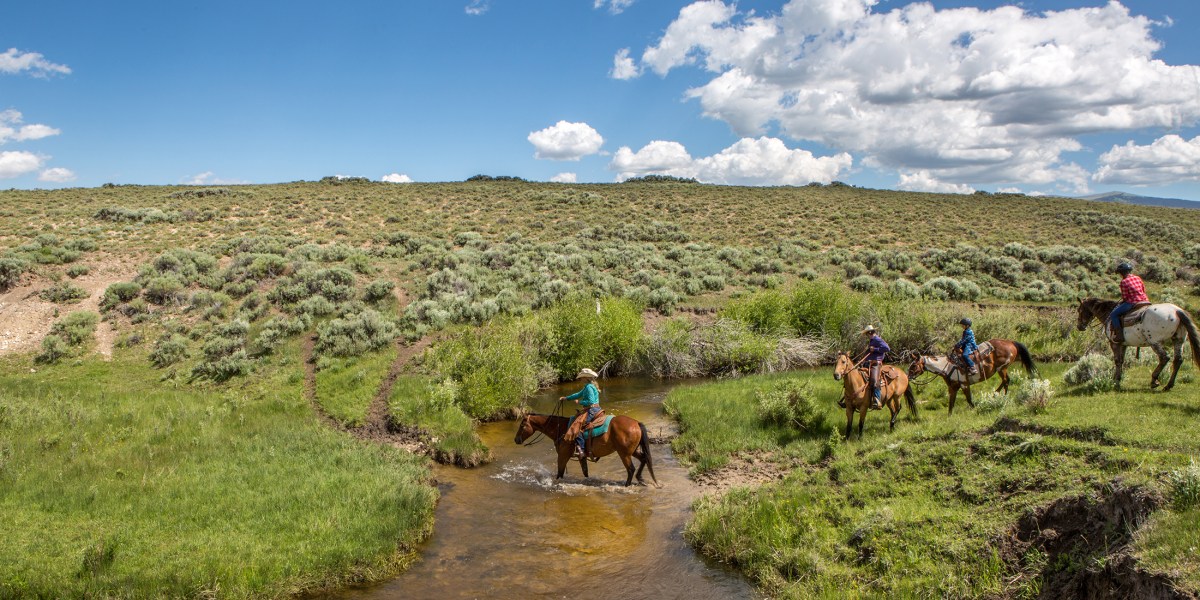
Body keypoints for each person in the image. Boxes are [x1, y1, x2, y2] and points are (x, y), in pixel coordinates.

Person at [560, 368, 602, 458]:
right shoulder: (589, 386)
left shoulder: (589, 387)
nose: (580, 379)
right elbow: (578, 394)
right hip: (596, 409)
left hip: (591, 410)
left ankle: (581, 450)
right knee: (574, 419)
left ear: (586, 378)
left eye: (581, 377)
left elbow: (590, 402)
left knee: (576, 425)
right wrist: (566, 398)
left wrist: (579, 402)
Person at [1109, 262, 1148, 344]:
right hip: (1145, 300)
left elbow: (1125, 297)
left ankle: (1119, 334)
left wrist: (1122, 302)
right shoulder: (1138, 278)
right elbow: (1143, 290)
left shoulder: (1124, 281)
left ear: (1122, 273)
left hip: (1133, 302)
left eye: (1120, 273)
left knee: (1113, 314)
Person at [860, 325, 890, 410]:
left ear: (870, 333)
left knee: (874, 380)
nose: (866, 335)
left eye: (867, 334)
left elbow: (887, 348)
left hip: (876, 363)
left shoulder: (877, 339)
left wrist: (875, 349)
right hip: (868, 363)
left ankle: (877, 400)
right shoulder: (872, 340)